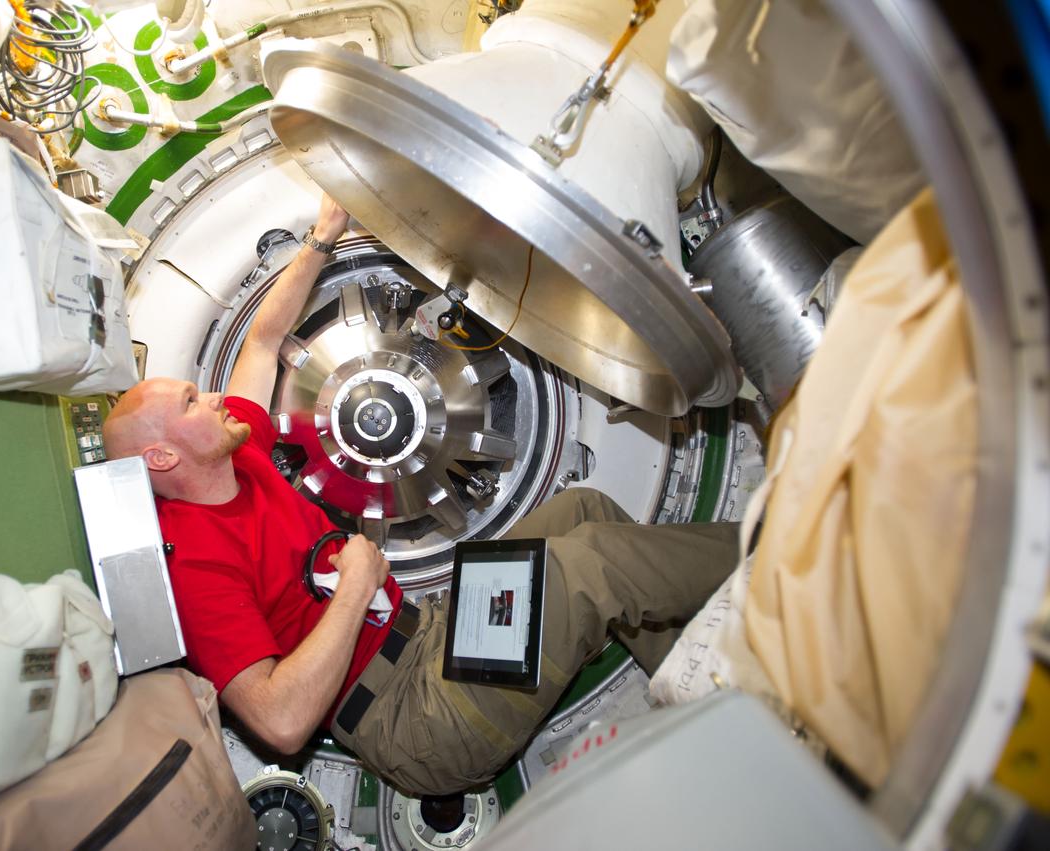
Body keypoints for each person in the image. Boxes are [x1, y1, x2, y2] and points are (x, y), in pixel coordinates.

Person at [104, 195, 740, 796]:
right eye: (191, 402)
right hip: (417, 716)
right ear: (162, 456)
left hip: (434, 634)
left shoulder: (239, 453)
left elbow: (264, 341)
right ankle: (795, 547)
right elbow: (280, 723)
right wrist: (354, 588)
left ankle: (726, 692)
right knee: (590, 565)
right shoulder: (193, 566)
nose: (211, 396)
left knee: (584, 512)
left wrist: (323, 237)